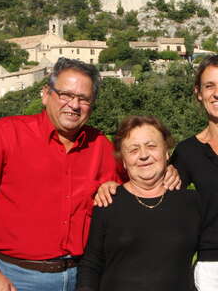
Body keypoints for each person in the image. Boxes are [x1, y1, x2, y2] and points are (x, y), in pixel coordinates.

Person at [0, 58, 179, 291]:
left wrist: (166, 171)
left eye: (84, 99)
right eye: (66, 95)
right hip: (16, 279)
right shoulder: (5, 134)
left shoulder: (100, 145)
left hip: (84, 278)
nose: (74, 105)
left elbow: (140, 178)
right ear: (46, 94)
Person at [95, 55, 218, 291]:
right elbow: (153, 192)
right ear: (198, 93)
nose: (217, 93)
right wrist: (112, 187)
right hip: (209, 269)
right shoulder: (187, 151)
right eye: (209, 86)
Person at [77, 115, 200, 291]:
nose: (143, 155)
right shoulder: (108, 201)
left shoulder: (191, 202)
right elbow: (91, 263)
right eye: (133, 150)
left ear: (167, 152)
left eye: (151, 146)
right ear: (124, 162)